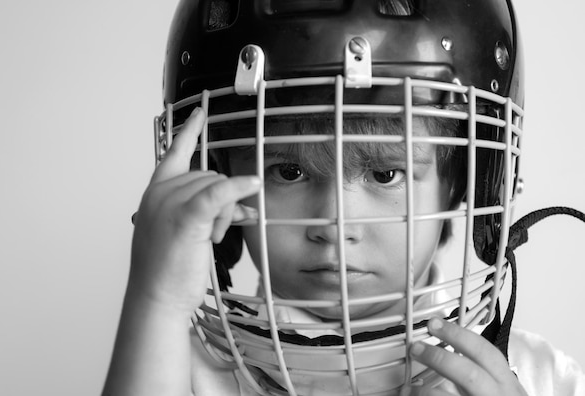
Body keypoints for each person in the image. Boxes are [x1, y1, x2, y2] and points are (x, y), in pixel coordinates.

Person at [102, 1, 585, 395]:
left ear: (466, 183)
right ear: (216, 174)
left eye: (385, 173)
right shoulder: (174, 369)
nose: (334, 224)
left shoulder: (531, 376)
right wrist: (157, 300)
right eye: (289, 172)